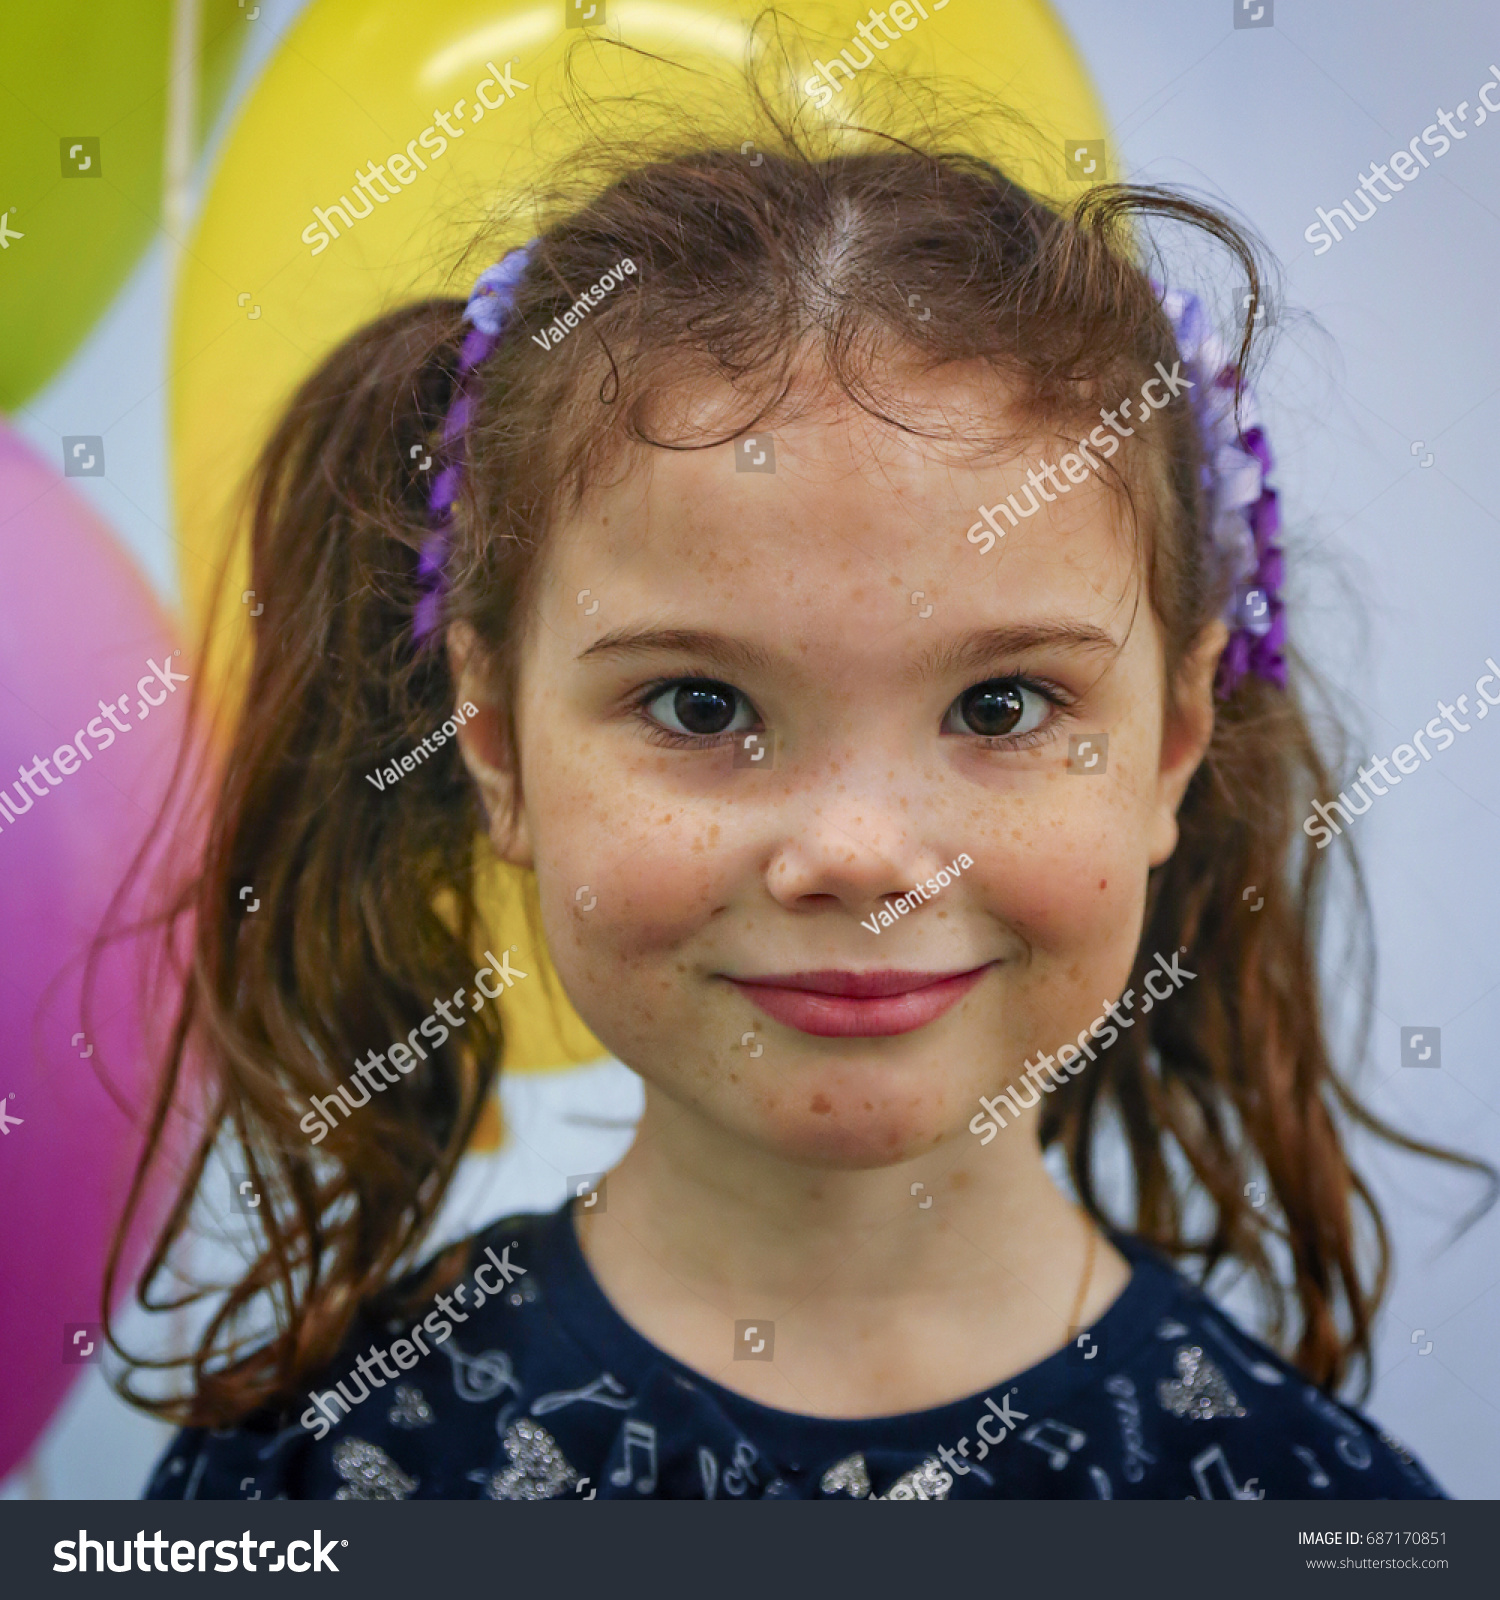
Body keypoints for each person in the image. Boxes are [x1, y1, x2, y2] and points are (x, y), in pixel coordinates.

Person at [118, 73, 1482, 1501]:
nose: (860, 851)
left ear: (1172, 741)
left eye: (1001, 704)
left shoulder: (1321, 1511)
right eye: (702, 706)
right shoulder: (301, 1481)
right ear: (497, 740)